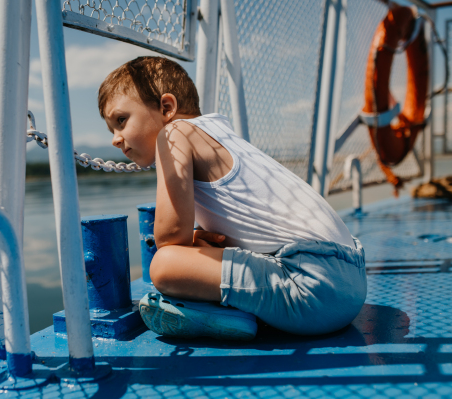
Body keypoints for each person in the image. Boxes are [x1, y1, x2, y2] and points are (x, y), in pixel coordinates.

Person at [98, 56, 367, 340]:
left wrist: (186, 242)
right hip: (351, 277)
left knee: (164, 266)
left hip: (313, 287)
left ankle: (224, 316)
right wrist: (194, 239)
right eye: (111, 129)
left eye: (122, 120)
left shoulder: (173, 133)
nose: (116, 138)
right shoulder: (216, 133)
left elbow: (169, 240)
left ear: (167, 107)